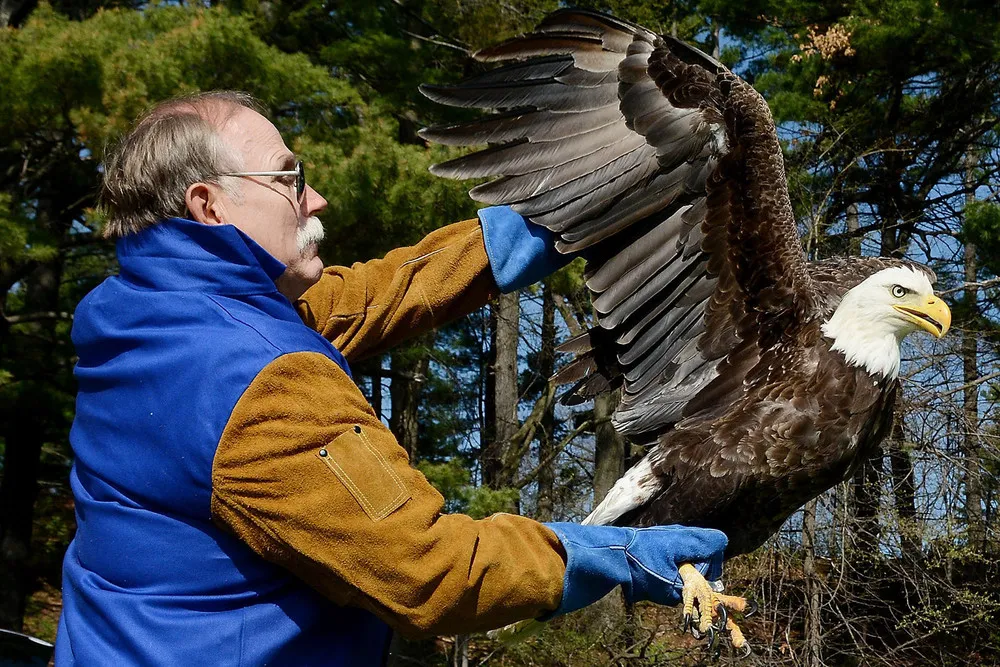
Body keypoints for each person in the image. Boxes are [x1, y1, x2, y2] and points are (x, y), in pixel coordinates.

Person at [54, 91, 728, 665]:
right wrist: (615, 552)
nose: (314, 198)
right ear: (208, 205)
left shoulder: (143, 314)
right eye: (288, 178)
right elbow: (430, 570)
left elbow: (372, 296)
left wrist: (553, 223)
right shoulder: (261, 384)